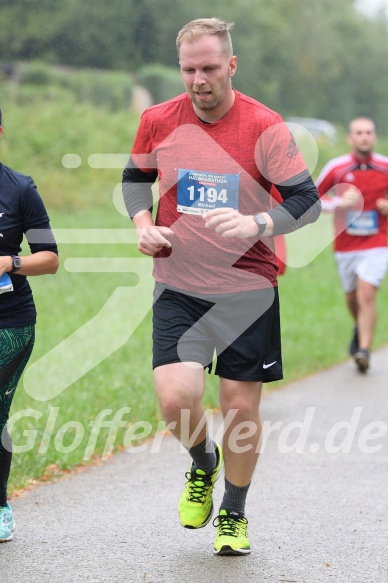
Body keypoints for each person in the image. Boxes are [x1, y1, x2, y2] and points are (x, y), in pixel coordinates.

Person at [122, 18, 320, 556]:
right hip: (178, 281)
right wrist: (143, 227)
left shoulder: (265, 125)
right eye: (189, 69)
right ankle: (202, 465)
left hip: (247, 287)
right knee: (176, 397)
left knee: (238, 408)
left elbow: (307, 202)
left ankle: (233, 511)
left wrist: (257, 224)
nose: (198, 79)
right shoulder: (158, 120)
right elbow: (135, 180)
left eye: (209, 67)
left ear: (230, 65)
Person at [0, 106, 59, 542]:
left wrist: (11, 261)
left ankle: (0, 505)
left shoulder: (19, 188)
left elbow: (50, 258)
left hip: (9, 321)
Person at [316, 117, 388, 374]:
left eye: (369, 132)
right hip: (346, 245)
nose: (364, 137)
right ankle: (360, 327)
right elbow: (310, 199)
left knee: (366, 291)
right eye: (359, 133)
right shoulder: (337, 168)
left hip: (378, 241)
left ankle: (364, 350)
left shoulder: (385, 166)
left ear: (374, 137)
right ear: (351, 138)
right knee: (352, 297)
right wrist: (339, 203)